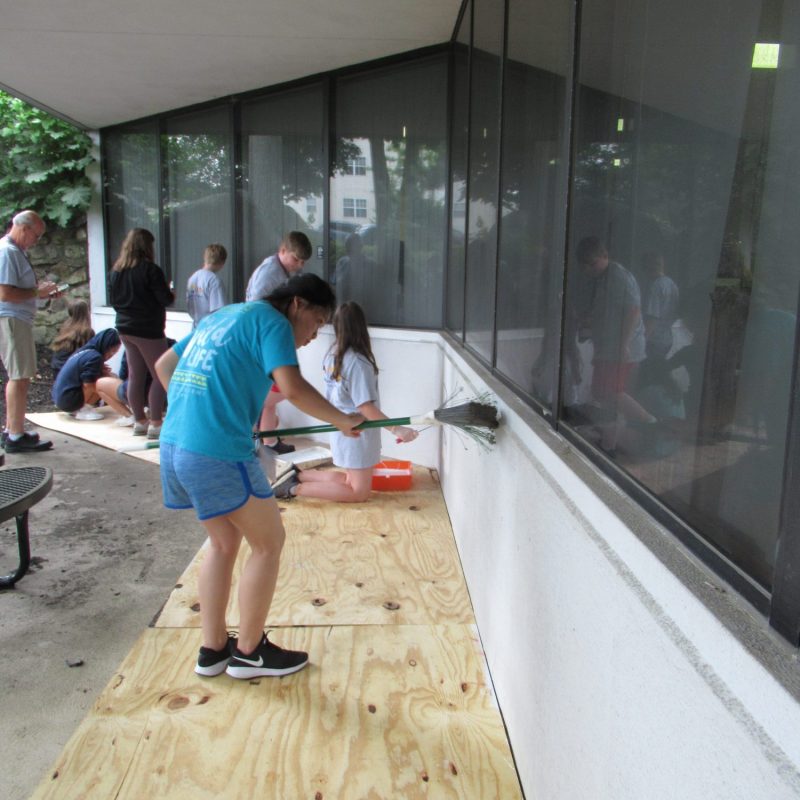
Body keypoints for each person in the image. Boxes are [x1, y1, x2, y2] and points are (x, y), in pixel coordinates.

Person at [154, 273, 362, 680]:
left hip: (176, 445)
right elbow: (292, 387)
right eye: (316, 323)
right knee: (268, 543)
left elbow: (165, 366)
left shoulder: (225, 315)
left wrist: (196, 410)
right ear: (297, 304)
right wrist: (341, 419)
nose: (311, 336)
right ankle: (249, 653)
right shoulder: (273, 322)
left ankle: (213, 650)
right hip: (217, 451)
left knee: (223, 542)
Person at [273, 301, 417, 502]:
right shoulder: (358, 362)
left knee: (350, 480)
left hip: (341, 428)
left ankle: (298, 475)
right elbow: (365, 407)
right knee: (359, 492)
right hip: (357, 431)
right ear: (362, 326)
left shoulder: (333, 355)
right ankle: (294, 488)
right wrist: (397, 429)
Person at [576, 236, 656, 457]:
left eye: (592, 263)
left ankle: (650, 422)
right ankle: (609, 445)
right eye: (585, 265)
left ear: (605, 255)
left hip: (619, 349)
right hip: (607, 347)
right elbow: (607, 312)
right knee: (606, 398)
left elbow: (633, 311)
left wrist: (623, 344)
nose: (589, 269)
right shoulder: (602, 279)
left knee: (609, 391)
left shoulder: (619, 277)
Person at [245, 231, 313, 455]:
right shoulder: (270, 273)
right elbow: (255, 308)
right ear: (282, 251)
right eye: (296, 259)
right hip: (261, 340)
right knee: (265, 394)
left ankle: (269, 442)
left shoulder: (279, 271)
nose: (299, 265)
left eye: (303, 262)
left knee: (268, 397)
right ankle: (252, 443)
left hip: (267, 338)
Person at [108, 228, 175, 440]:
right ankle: (156, 422)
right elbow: (165, 299)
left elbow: (114, 301)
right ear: (147, 246)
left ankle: (139, 421)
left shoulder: (116, 271)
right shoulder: (150, 270)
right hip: (148, 329)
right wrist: (170, 291)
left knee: (135, 374)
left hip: (124, 328)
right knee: (160, 374)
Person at [0, 210, 58, 453]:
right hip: (12, 319)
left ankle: (13, 429)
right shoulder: (7, 252)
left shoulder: (15, 251)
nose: (37, 241)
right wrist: (38, 292)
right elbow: (5, 293)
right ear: (24, 229)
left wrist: (42, 293)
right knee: (19, 375)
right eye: (37, 235)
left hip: (17, 318)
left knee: (21, 375)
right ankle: (15, 436)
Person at [51, 329, 121, 416]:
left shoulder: (84, 352)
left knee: (106, 377)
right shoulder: (95, 357)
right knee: (103, 382)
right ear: (105, 346)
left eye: (115, 352)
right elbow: (88, 384)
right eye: (112, 351)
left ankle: (80, 408)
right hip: (67, 401)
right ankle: (81, 409)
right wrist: (108, 393)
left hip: (59, 398)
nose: (112, 355)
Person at [641, 252, 679, 360]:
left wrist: (642, 341)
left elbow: (652, 318)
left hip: (653, 341)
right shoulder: (672, 284)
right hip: (667, 339)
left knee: (649, 369)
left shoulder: (656, 286)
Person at [186, 243, 228, 329]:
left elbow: (189, 306)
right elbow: (219, 311)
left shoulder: (192, 278)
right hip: (210, 328)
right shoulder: (214, 281)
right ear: (222, 262)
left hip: (196, 327)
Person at [51, 299, 94, 376]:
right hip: (68, 370)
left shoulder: (66, 325)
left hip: (57, 366)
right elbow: (89, 355)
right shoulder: (87, 331)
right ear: (86, 312)